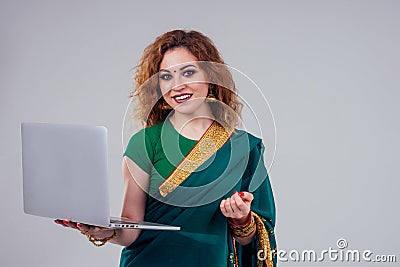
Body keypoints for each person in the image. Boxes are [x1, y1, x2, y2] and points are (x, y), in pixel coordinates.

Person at [55, 29, 277, 267]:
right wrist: (102, 231)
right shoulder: (144, 143)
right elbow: (130, 229)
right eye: (166, 77)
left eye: (188, 72)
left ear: (211, 77)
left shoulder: (244, 147)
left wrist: (241, 220)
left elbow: (257, 242)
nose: (177, 86)